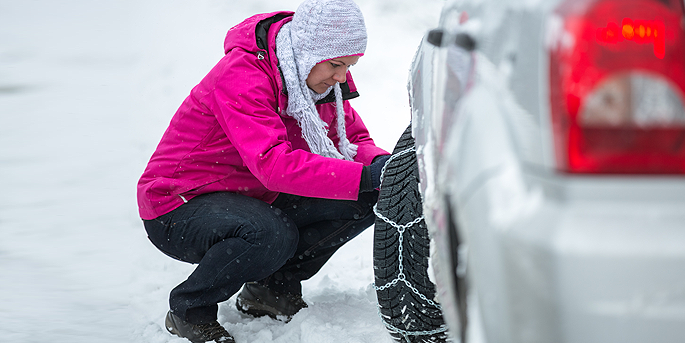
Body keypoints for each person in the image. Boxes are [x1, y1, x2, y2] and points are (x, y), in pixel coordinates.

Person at [136, 0, 391, 341]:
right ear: (306, 51)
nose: (342, 77)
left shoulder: (316, 77)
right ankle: (190, 308)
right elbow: (273, 164)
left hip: (254, 195)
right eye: (336, 65)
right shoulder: (242, 75)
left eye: (349, 65)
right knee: (271, 233)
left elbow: (351, 140)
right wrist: (364, 177)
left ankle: (272, 290)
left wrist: (384, 166)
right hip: (180, 202)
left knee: (372, 194)